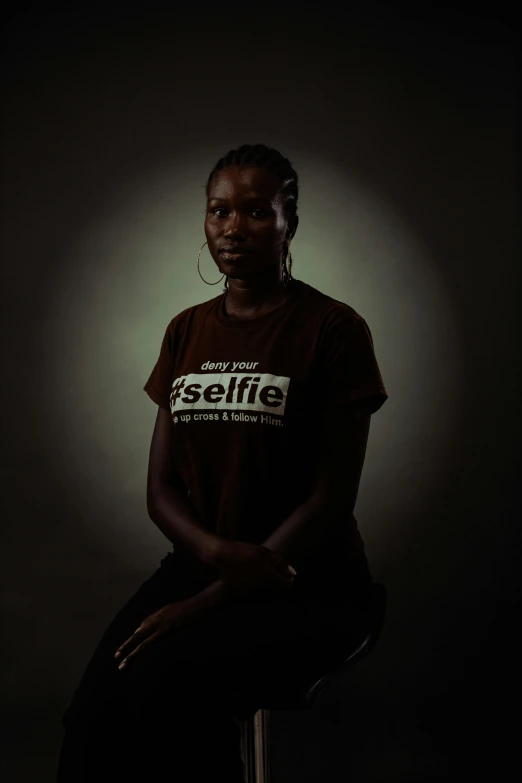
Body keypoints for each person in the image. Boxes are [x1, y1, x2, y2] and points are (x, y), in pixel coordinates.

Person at [55, 143, 388, 782]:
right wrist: (211, 559)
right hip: (200, 564)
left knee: (176, 698)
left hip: (303, 581)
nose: (234, 229)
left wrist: (212, 600)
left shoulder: (333, 328)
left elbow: (330, 500)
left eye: (257, 212)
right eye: (219, 211)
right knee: (93, 717)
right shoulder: (186, 330)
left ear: (291, 221)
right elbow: (160, 488)